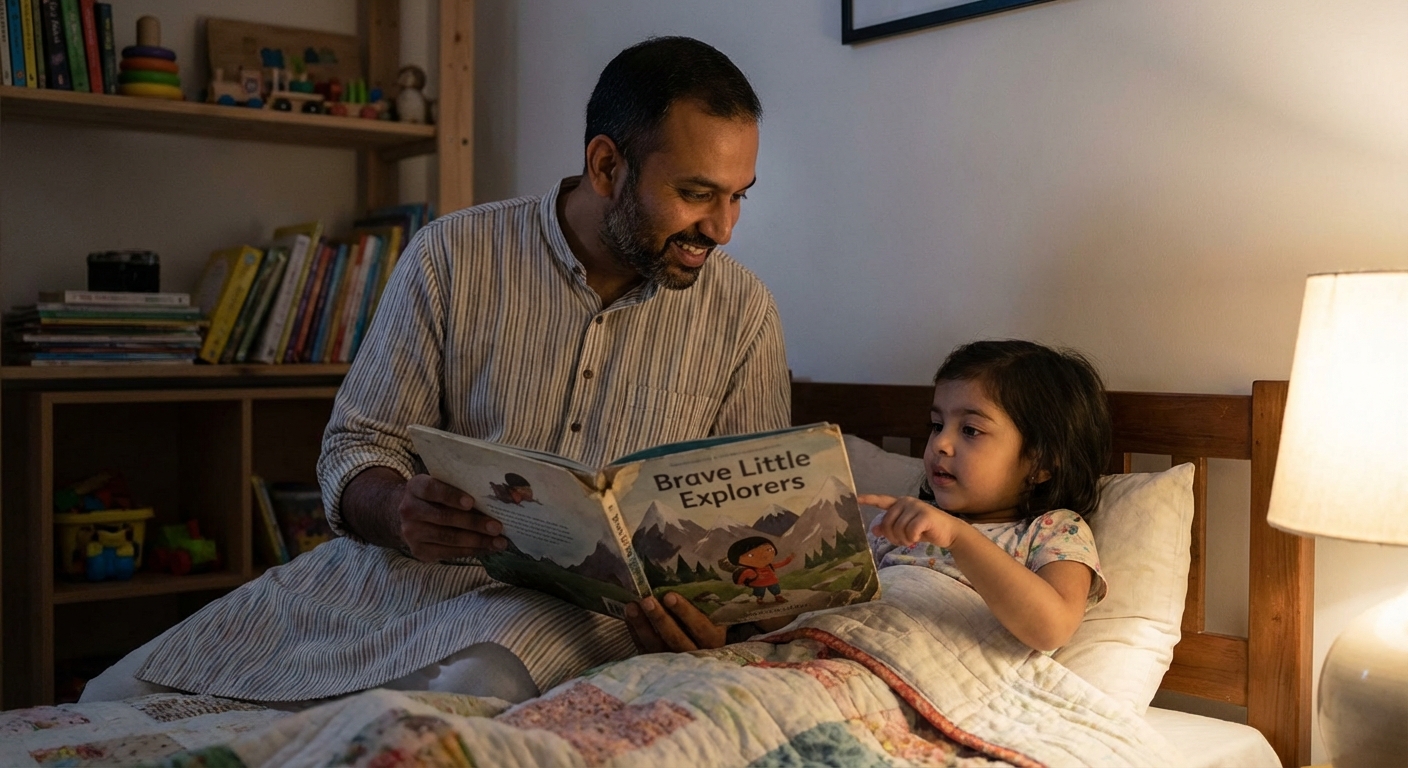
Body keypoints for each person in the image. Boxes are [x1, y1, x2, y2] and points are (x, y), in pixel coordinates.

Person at [81, 36, 787, 705]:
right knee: (112, 696)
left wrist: (723, 625)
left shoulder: (743, 312)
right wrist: (396, 508)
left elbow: (753, 535)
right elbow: (357, 447)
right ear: (606, 166)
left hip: (556, 624)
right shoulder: (453, 255)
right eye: (697, 193)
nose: (722, 228)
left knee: (457, 699)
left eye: (738, 196)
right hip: (382, 587)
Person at [860, 339, 1110, 651]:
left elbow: (1052, 631)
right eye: (937, 425)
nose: (940, 444)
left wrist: (958, 537)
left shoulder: (1055, 531)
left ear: (1042, 464)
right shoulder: (904, 523)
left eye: (970, 430)